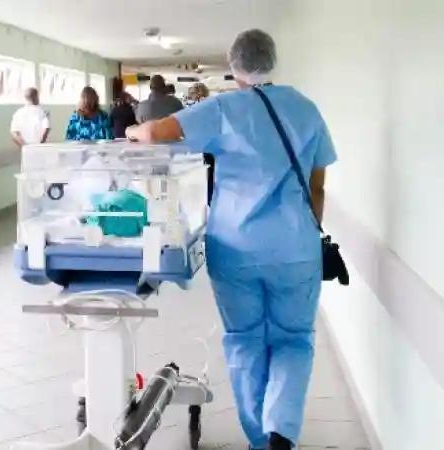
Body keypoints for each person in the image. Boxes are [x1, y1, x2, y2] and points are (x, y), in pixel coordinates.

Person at [126, 29, 337, 450]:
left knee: (244, 341)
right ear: (272, 61)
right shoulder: (306, 109)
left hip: (236, 248)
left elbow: (154, 134)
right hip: (295, 250)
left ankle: (260, 439)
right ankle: (281, 430)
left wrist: (134, 132)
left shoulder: (224, 108)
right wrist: (303, 234)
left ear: (235, 65)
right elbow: (317, 189)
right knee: (294, 339)